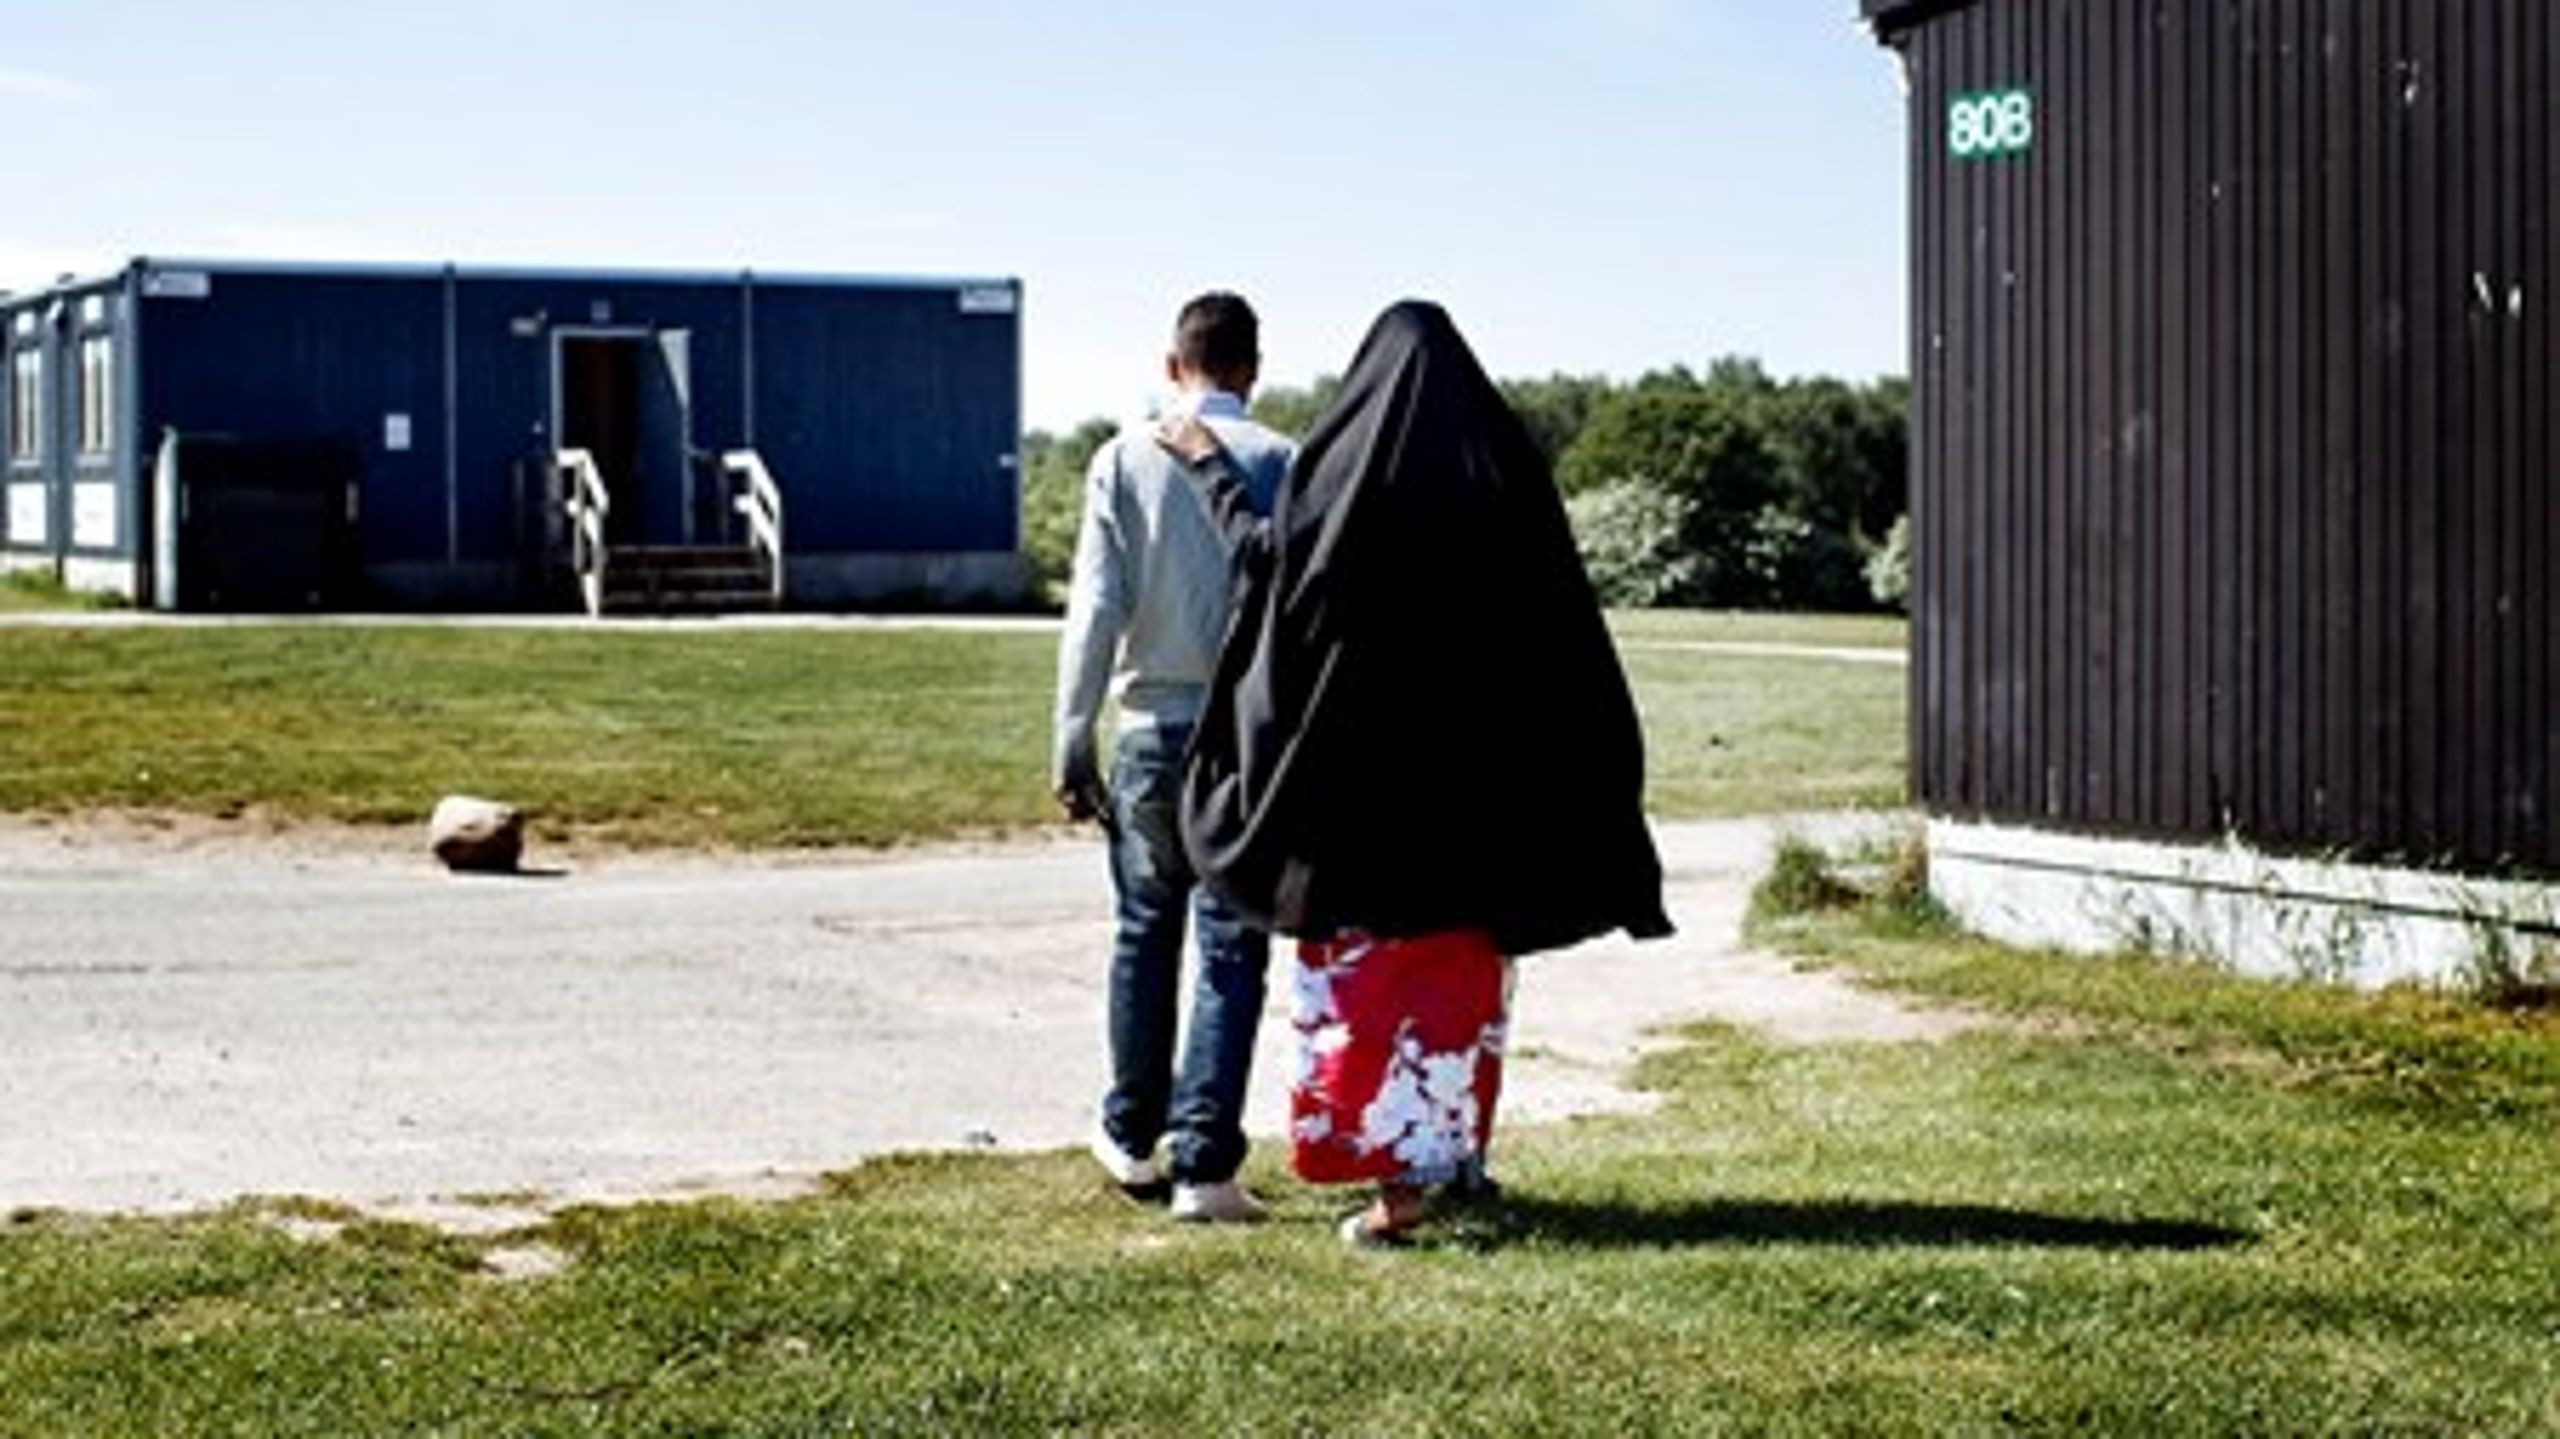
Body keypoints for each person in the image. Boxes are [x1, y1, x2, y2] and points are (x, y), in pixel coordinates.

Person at [1160, 299, 1671, 1246]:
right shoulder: (1503, 479)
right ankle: (1450, 1168)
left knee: (1369, 994)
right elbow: (1560, 629)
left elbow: (1267, 571)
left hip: (1360, 808)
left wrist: (1207, 470)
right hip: (1475, 806)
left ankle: (1400, 1196)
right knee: (1457, 992)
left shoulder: (1339, 479)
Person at [1053, 291, 1298, 1223]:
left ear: (1172, 365)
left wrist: (1071, 736)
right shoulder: (1284, 461)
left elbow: (1094, 613)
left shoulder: (1123, 459)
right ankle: (1205, 1165)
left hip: (1151, 730)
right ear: (1253, 367)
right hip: (1243, 737)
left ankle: (1130, 1130)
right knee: (1233, 947)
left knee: (1143, 930)